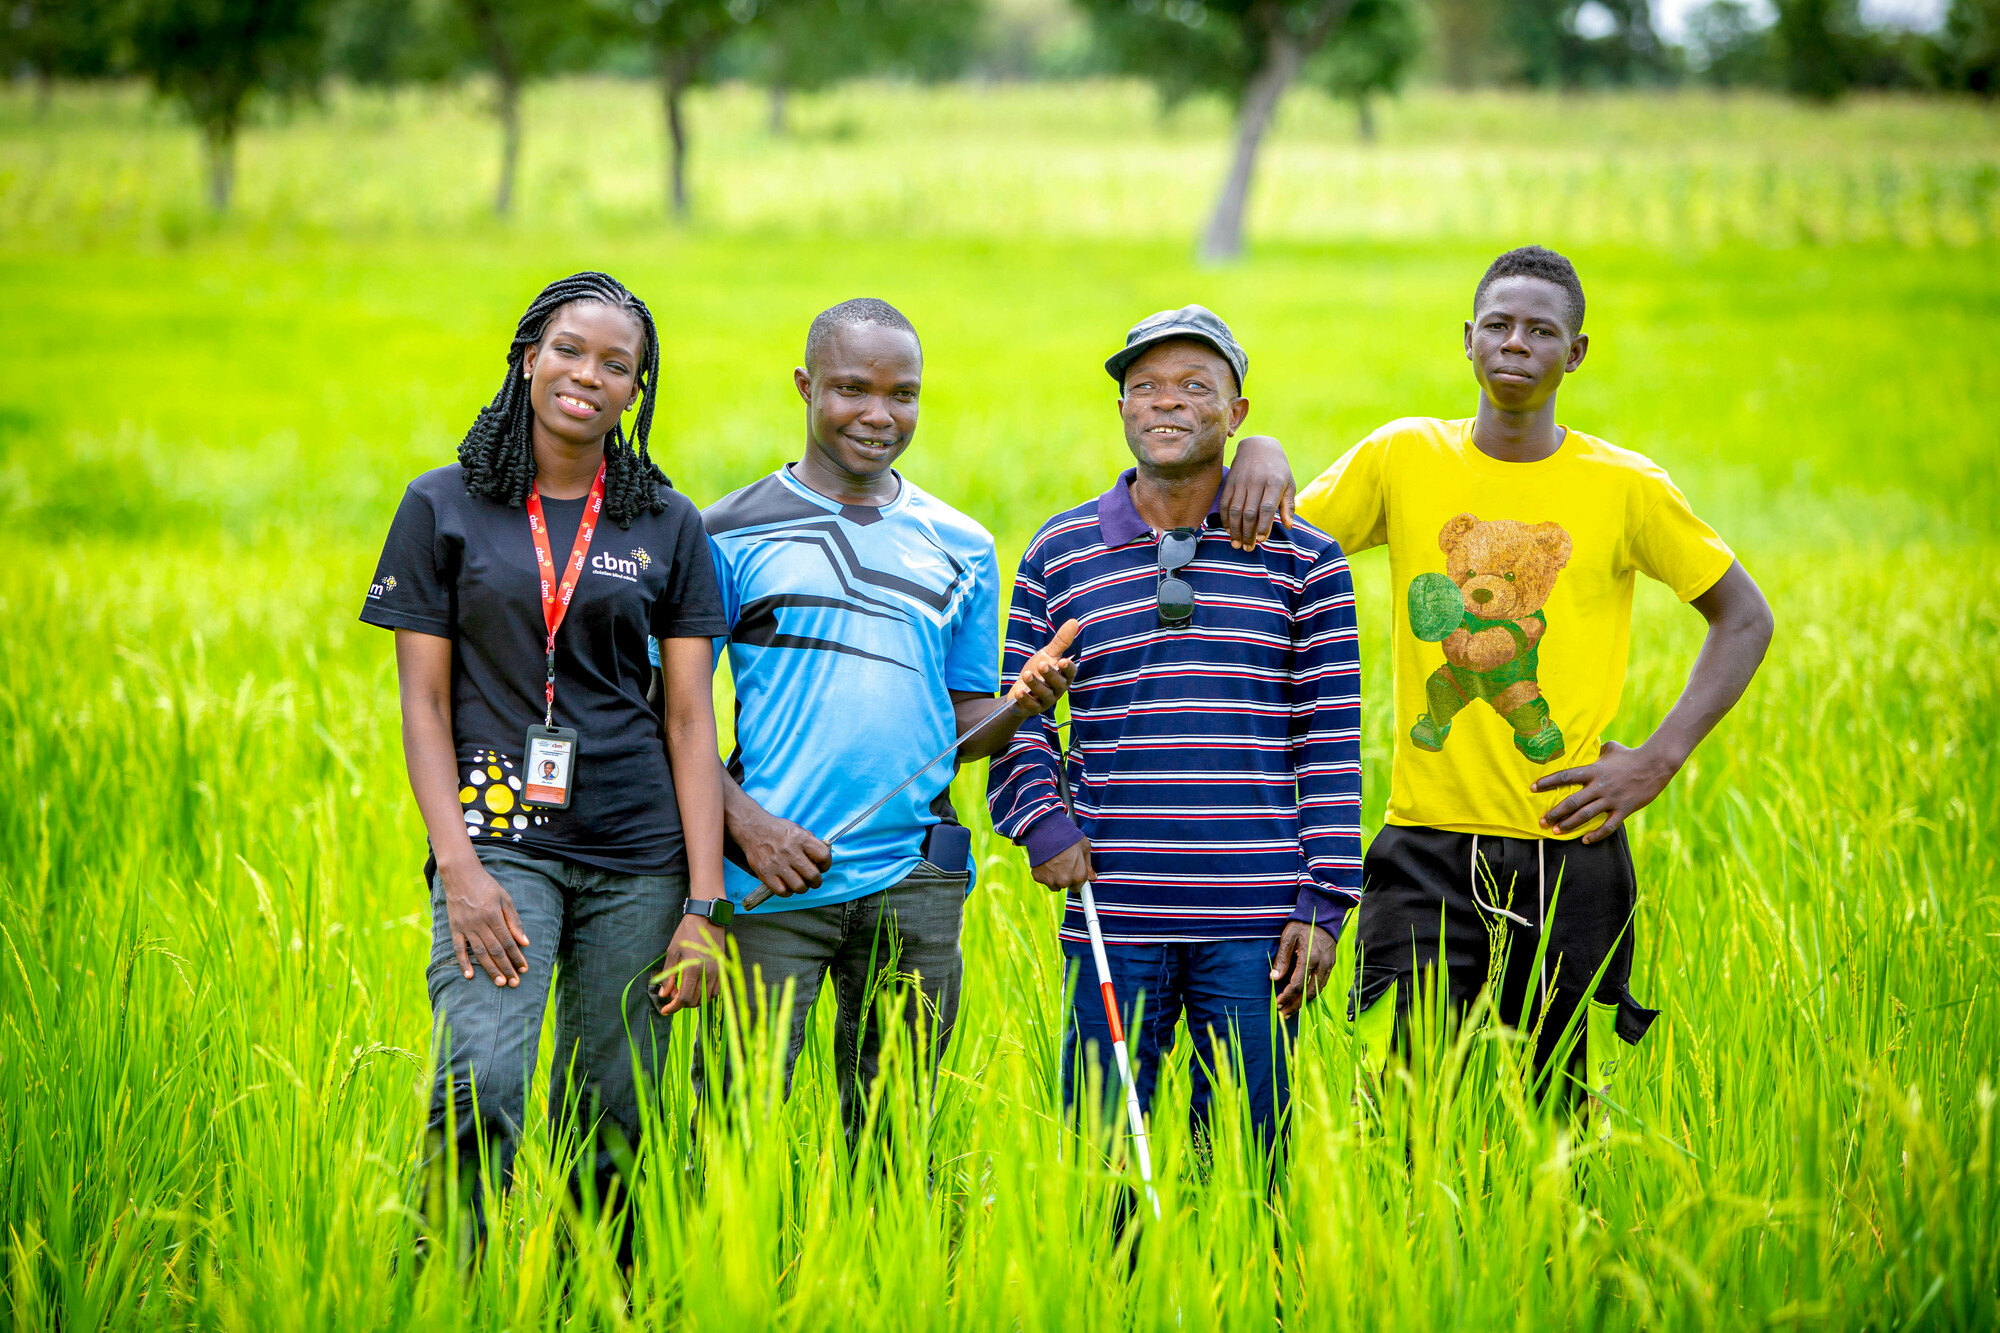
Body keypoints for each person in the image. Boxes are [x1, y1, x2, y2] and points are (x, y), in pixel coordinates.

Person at [686, 298, 1303, 1141]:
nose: (878, 414)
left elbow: (967, 728)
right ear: (805, 387)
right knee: (730, 1129)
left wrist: (1024, 703)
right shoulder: (722, 531)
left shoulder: (961, 542)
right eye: (851, 389)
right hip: (768, 883)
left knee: (899, 1132)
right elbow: (670, 717)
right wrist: (745, 831)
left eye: (901, 393)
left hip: (916, 883)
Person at [1295, 245, 1774, 1106]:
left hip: (1565, 846)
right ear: (1468, 342)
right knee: (1405, 1099)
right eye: (1500, 325)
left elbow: (1745, 617)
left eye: (1541, 330)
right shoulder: (1402, 458)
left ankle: (1548, 1245)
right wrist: (1256, 448)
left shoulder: (1625, 487)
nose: (1517, 342)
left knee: (1551, 1109)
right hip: (1423, 847)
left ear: (1575, 353)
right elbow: (1275, 551)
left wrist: (1657, 759)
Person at [360, 272, 731, 1244]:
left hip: (638, 857)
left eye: (619, 364)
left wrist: (701, 906)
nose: (588, 376)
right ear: (527, 356)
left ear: (638, 390)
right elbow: (423, 701)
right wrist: (459, 867)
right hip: (499, 845)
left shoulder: (666, 522)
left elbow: (690, 721)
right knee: (481, 1072)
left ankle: (588, 1295)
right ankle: (451, 1286)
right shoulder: (441, 508)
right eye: (569, 349)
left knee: (618, 1109)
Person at [987, 305, 1363, 1158]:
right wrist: (1043, 824)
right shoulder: (1060, 550)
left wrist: (1326, 901)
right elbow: (1016, 716)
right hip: (1112, 908)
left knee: (1245, 1156)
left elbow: (1332, 740)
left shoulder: (1306, 558)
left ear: (1236, 414)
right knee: (1101, 1155)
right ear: (1120, 407)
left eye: (1197, 386)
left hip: (1260, 919)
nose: (1167, 403)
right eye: (1146, 386)